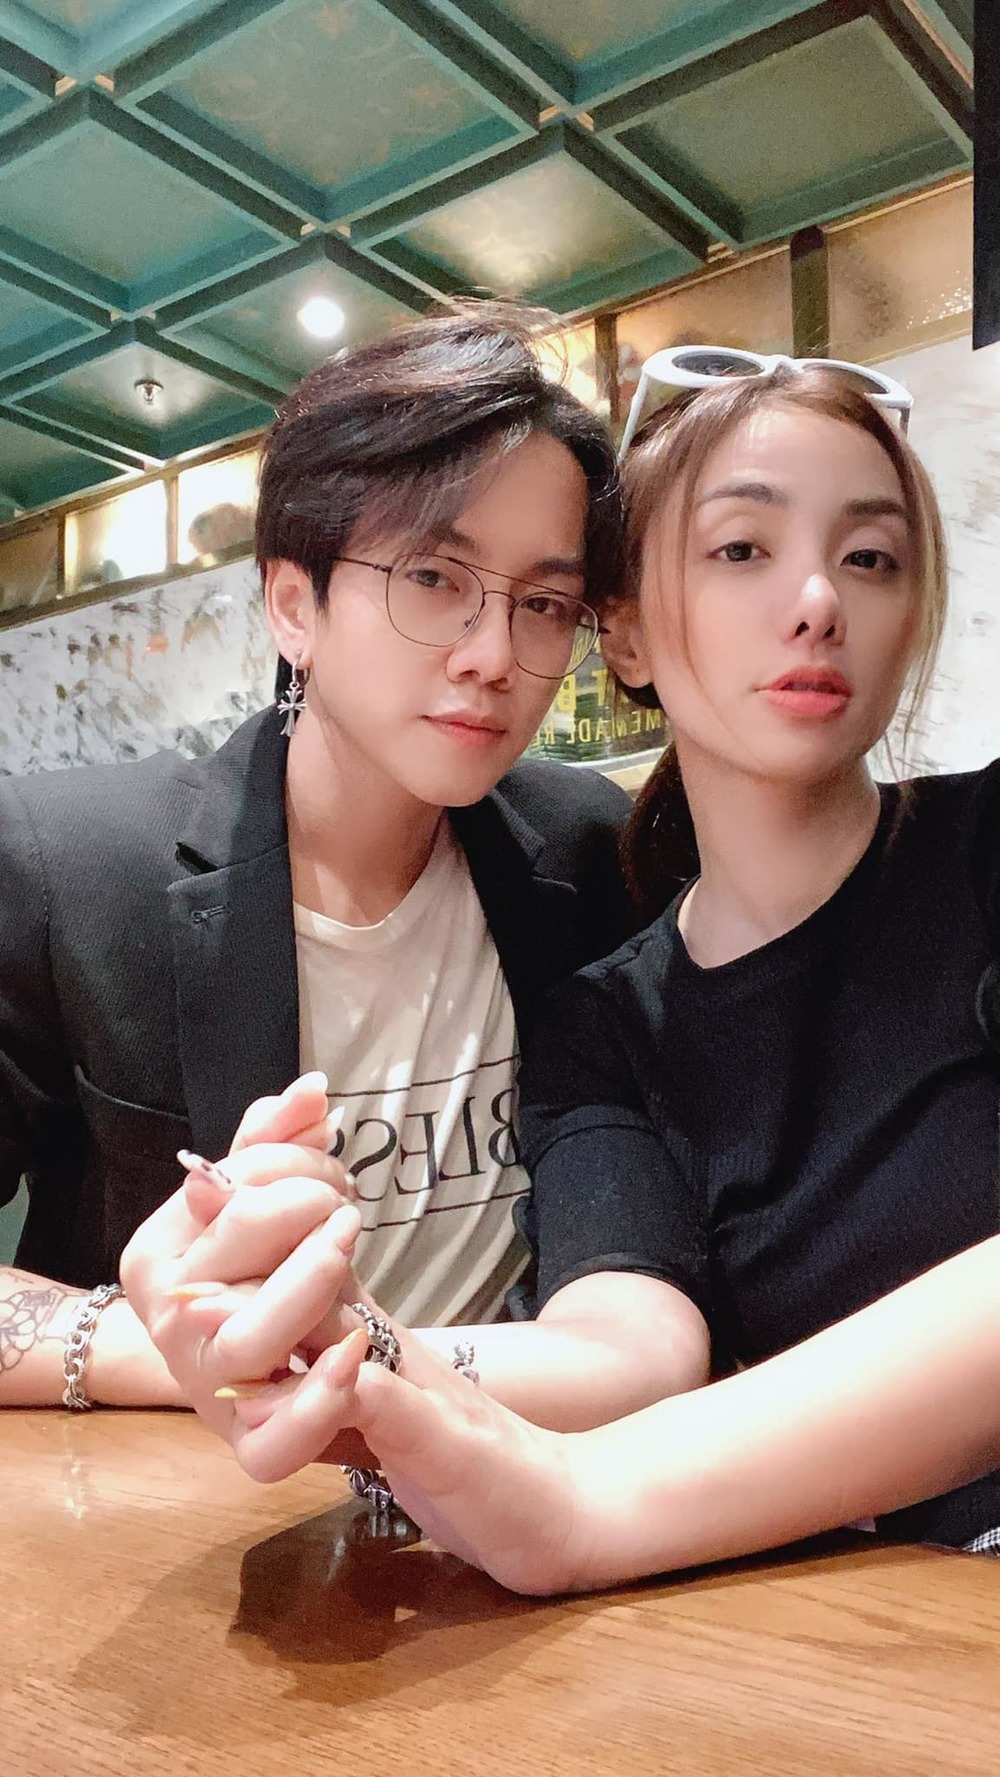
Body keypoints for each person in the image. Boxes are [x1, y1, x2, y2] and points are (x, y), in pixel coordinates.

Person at [124, 354, 1000, 1580]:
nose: (816, 601)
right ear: (622, 632)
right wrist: (338, 1340)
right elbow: (629, 1337)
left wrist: (590, 1503)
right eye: (741, 549)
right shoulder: (604, 1019)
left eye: (870, 557)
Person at [0, 302, 636, 1411]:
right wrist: (192, 1349)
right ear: (295, 604)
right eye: (434, 578)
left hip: (504, 1469)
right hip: (195, 1485)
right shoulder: (75, 868)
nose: (493, 655)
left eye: (543, 603)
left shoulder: (585, 852)